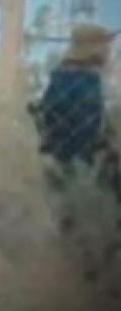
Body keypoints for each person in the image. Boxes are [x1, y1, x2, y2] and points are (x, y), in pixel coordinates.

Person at [34, 23, 119, 202]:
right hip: (80, 173)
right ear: (94, 49)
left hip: (63, 168)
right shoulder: (85, 82)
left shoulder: (61, 78)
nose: (109, 50)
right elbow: (86, 132)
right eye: (106, 45)